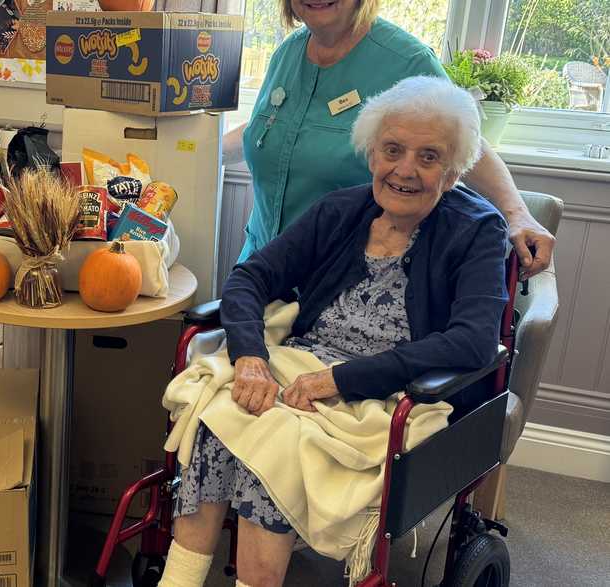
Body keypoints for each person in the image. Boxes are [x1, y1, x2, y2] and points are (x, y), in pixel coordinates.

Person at [160, 77, 507, 587]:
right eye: (392, 150)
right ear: (371, 154)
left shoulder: (478, 229)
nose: (405, 169)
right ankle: (180, 579)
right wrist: (250, 357)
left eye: (428, 157)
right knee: (224, 411)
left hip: (388, 394)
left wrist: (342, 379)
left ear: (453, 172)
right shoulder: (341, 210)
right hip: (297, 367)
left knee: (273, 440)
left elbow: (473, 340)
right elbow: (251, 277)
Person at [223, 0, 553, 281]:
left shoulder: (406, 60)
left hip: (339, 282)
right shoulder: (287, 54)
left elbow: (465, 145)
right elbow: (265, 130)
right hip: (261, 266)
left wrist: (516, 213)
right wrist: (193, 161)